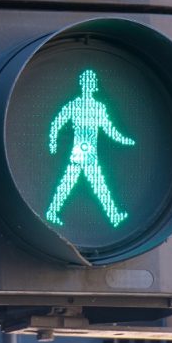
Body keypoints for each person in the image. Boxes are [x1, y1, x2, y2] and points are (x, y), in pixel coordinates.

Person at [45, 69, 135, 228]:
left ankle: (113, 216)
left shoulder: (98, 107)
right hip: (80, 155)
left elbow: (110, 129)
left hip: (88, 155)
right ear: (84, 85)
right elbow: (57, 123)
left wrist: (125, 140)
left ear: (94, 86)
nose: (89, 86)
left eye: (91, 83)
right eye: (88, 83)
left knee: (90, 186)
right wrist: (52, 142)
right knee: (83, 186)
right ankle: (113, 216)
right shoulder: (75, 105)